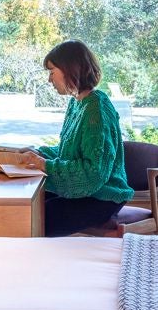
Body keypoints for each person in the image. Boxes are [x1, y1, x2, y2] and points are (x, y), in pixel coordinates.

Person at [16, 40, 134, 237]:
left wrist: (45, 165)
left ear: (70, 69)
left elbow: (94, 173)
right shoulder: (77, 103)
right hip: (90, 191)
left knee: (32, 218)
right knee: (27, 206)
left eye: (52, 71)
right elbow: (68, 152)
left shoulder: (97, 109)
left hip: (103, 196)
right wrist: (38, 153)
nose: (49, 79)